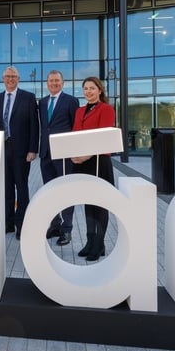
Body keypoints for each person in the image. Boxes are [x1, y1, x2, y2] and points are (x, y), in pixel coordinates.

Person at [0, 66, 39, 240]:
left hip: (22, 151)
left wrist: (33, 149)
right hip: (2, 150)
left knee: (22, 188)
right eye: (7, 76)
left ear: (19, 79)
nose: (10, 79)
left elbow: (35, 125)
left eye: (14, 76)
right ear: (3, 79)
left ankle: (21, 224)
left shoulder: (29, 98)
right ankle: (8, 223)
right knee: (6, 188)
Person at [71, 76, 116, 261]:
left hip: (98, 161)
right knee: (88, 203)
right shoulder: (79, 110)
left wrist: (86, 155)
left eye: (92, 88)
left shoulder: (106, 109)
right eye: (86, 89)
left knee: (100, 205)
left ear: (100, 90)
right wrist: (74, 154)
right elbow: (74, 133)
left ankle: (99, 244)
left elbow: (104, 136)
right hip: (82, 163)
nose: (88, 92)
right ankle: (90, 242)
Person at [38, 70, 79, 246]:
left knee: (66, 191)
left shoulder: (71, 101)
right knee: (50, 191)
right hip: (46, 153)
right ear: (47, 83)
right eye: (51, 80)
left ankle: (66, 229)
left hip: (64, 154)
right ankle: (54, 225)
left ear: (63, 83)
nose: (54, 83)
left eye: (57, 80)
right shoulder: (42, 102)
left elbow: (75, 128)